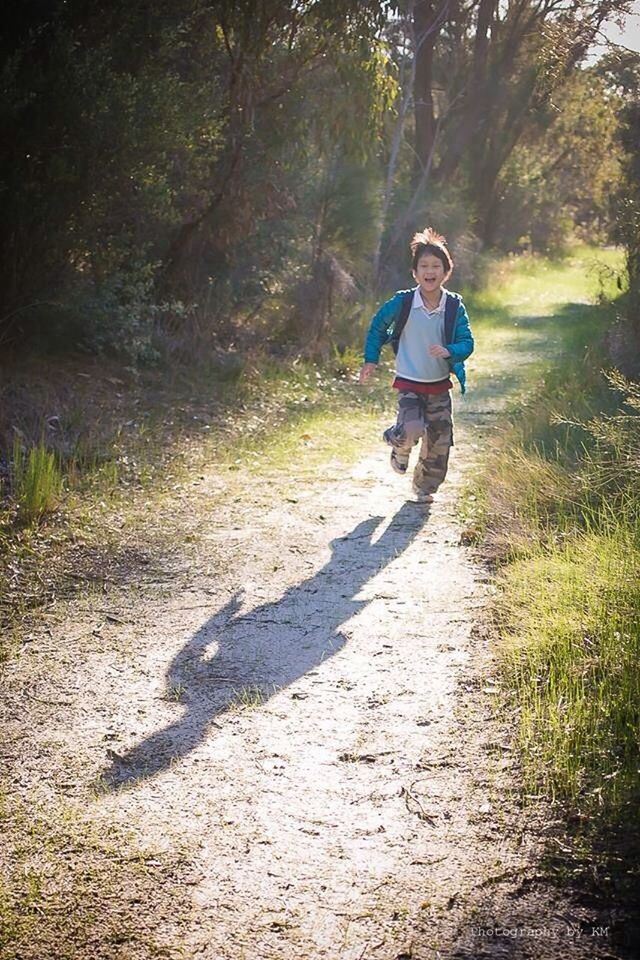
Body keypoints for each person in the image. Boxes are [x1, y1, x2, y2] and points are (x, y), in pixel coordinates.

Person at [359, 227, 474, 504]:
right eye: (424, 265)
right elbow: (377, 327)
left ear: (446, 271)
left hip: (438, 385)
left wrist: (449, 350)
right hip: (409, 381)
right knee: (412, 428)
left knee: (439, 440)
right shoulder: (404, 302)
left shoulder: (453, 306)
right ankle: (397, 442)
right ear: (415, 272)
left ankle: (425, 487)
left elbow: (466, 341)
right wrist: (370, 360)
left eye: (436, 266)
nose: (429, 271)